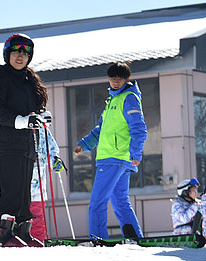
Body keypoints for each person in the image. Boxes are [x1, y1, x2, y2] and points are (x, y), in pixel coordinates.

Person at [0, 33, 51, 245]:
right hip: (6, 143)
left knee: (24, 193)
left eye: (25, 53)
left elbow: (34, 108)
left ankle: (22, 232)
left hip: (27, 145)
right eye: (15, 52)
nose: (20, 56)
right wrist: (20, 121)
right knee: (10, 190)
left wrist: (41, 115)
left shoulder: (29, 81)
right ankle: (5, 235)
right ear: (7, 54)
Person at [74, 62, 146, 240]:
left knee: (97, 202)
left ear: (127, 79)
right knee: (120, 202)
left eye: (119, 79)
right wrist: (84, 144)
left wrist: (136, 153)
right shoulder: (113, 100)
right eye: (112, 79)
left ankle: (97, 238)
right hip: (115, 158)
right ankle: (135, 238)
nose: (115, 82)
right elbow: (101, 130)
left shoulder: (129, 98)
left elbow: (139, 128)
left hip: (114, 158)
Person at [29, 128, 64, 243]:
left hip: (38, 189)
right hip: (17, 188)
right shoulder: (16, 122)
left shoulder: (41, 129)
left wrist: (55, 160)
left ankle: (40, 249)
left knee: (37, 224)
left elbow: (52, 149)